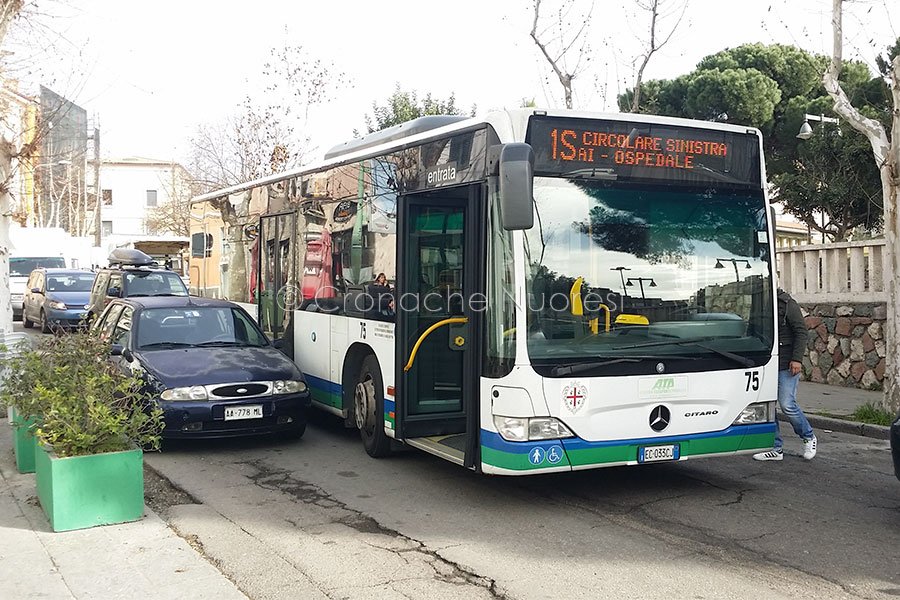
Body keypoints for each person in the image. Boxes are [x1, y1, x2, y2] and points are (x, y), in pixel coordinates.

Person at [754, 288, 817, 461]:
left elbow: (801, 332)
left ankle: (808, 436)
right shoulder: (759, 303)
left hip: (787, 363)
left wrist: (796, 359)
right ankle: (775, 448)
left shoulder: (787, 303)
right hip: (767, 362)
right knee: (768, 405)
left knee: (787, 404)